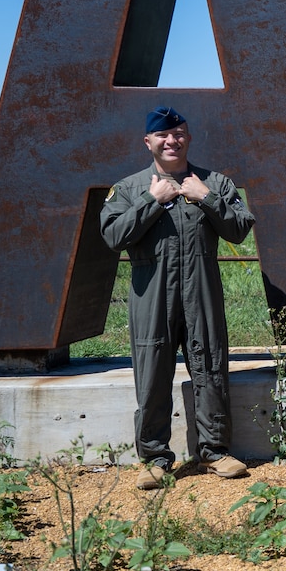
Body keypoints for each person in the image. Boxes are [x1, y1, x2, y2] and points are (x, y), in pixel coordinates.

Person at [100, 106, 257, 488]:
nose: (172, 141)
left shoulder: (215, 183)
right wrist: (152, 201)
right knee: (152, 372)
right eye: (163, 135)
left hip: (201, 289)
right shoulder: (129, 188)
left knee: (210, 365)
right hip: (151, 291)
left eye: (179, 133)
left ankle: (215, 453)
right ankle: (155, 458)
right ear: (149, 141)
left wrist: (206, 198)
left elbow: (240, 229)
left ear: (188, 137)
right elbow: (112, 237)